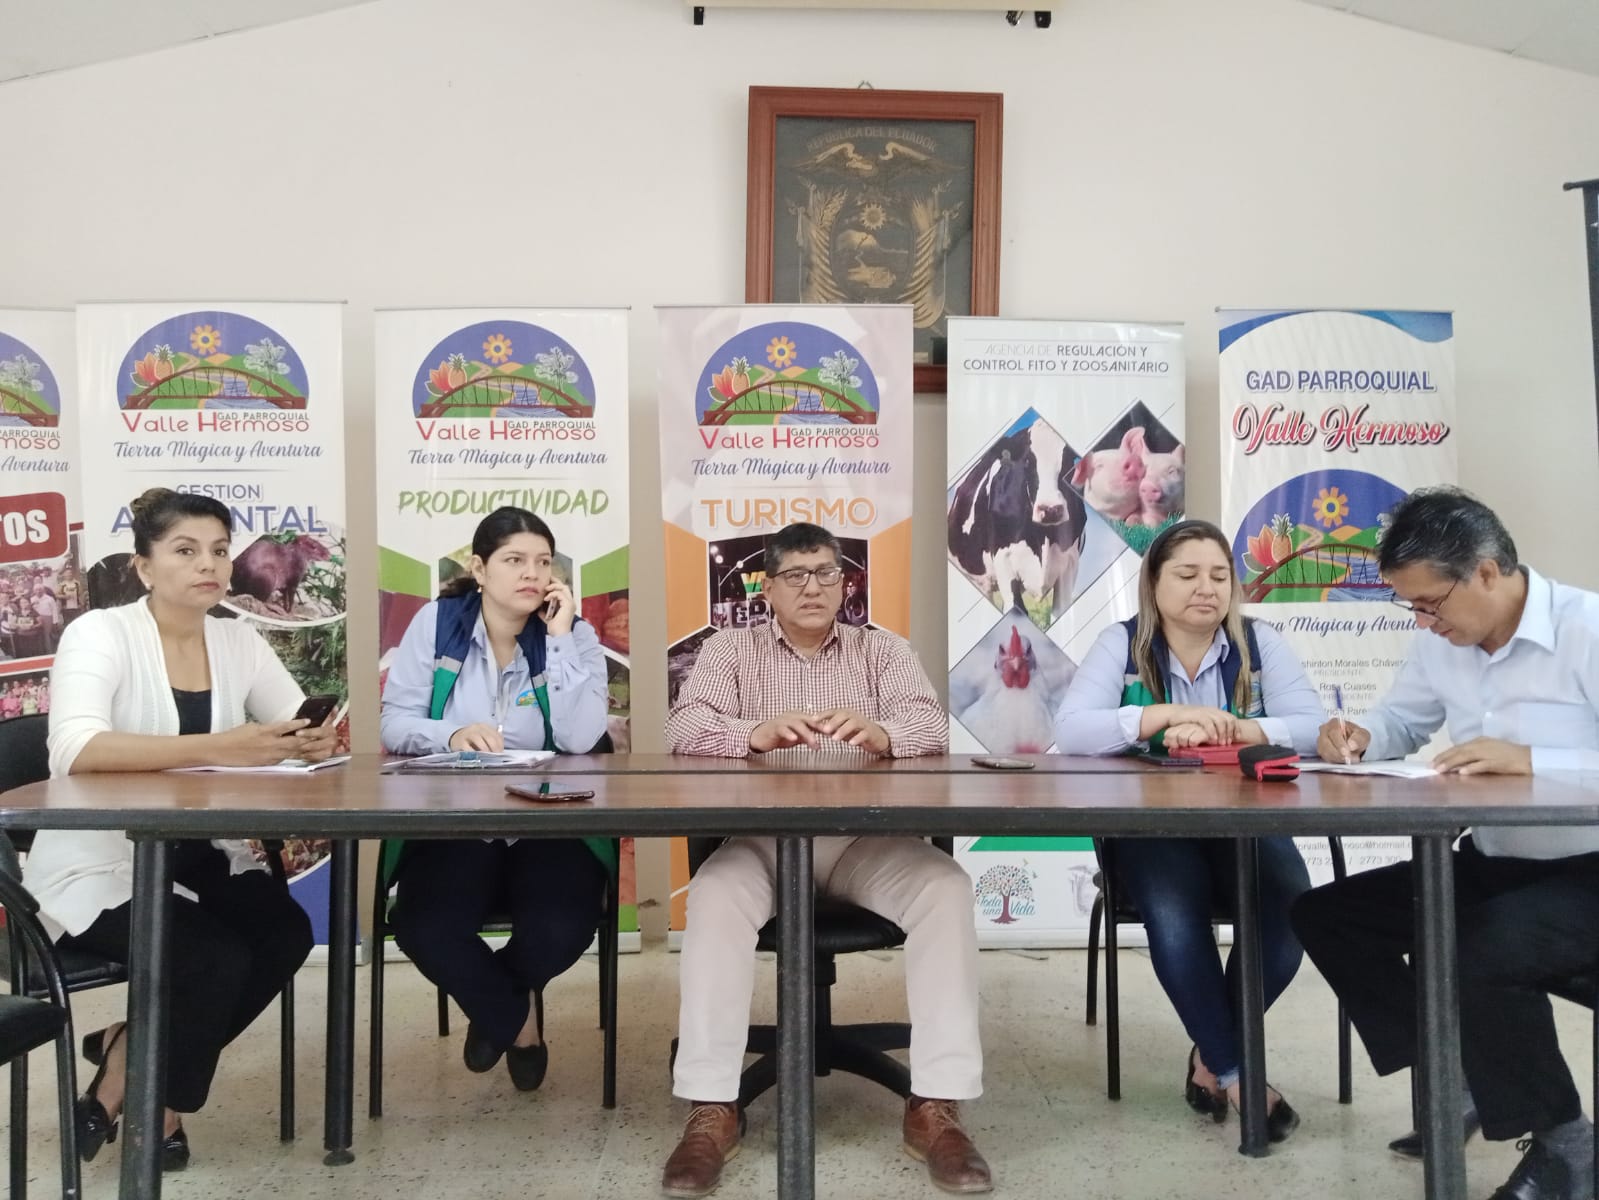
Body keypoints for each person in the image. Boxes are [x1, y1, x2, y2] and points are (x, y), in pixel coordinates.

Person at [661, 522, 990, 1198]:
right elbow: (684, 727)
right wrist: (751, 734)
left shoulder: (883, 650)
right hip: (762, 842)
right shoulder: (729, 649)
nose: (811, 587)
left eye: (825, 574)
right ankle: (711, 1107)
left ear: (844, 584)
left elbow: (932, 726)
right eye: (795, 575)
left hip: (864, 843)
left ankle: (936, 1104)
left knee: (946, 889)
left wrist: (885, 733)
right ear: (769, 588)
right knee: (714, 897)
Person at [1291, 488, 1599, 1200]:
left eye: (1430, 604)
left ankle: (1568, 1148)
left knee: (1479, 949)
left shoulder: (1587, 629)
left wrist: (1534, 761)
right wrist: (1358, 736)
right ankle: (1459, 1070)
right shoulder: (1442, 644)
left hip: (1587, 872)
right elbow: (1400, 723)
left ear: (1486, 571)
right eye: (1412, 607)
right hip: (1493, 860)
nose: (1423, 622)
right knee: (1326, 915)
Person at [21, 488, 334, 1171]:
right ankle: (156, 1109)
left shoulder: (237, 638)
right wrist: (224, 747)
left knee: (283, 933)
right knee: (211, 959)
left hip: (198, 852)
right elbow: (76, 749)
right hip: (101, 861)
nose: (208, 565)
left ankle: (129, 1053)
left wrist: (309, 740)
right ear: (144, 566)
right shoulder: (99, 634)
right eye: (186, 550)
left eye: (219, 550)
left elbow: (291, 722)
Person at [1054, 519, 1324, 1140]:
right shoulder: (1122, 643)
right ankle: (1236, 1071)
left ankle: (1210, 1054)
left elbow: (1312, 725)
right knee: (1176, 918)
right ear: (1154, 583)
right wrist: (1167, 715)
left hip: (1247, 823)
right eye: (1188, 574)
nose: (1207, 588)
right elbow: (1072, 730)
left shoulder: (1260, 643)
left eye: (1220, 576)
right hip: (1152, 826)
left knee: (1294, 914)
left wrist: (1234, 727)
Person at [379, 507, 611, 1091]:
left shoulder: (576, 635)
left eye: (543, 562)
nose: (532, 573)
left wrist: (560, 642)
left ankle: (493, 1008)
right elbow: (395, 722)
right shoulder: (437, 624)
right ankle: (516, 1018)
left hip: (548, 817)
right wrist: (450, 734)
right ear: (479, 568)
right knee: (424, 925)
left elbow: (581, 739)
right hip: (457, 816)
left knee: (562, 927)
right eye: (514, 560)